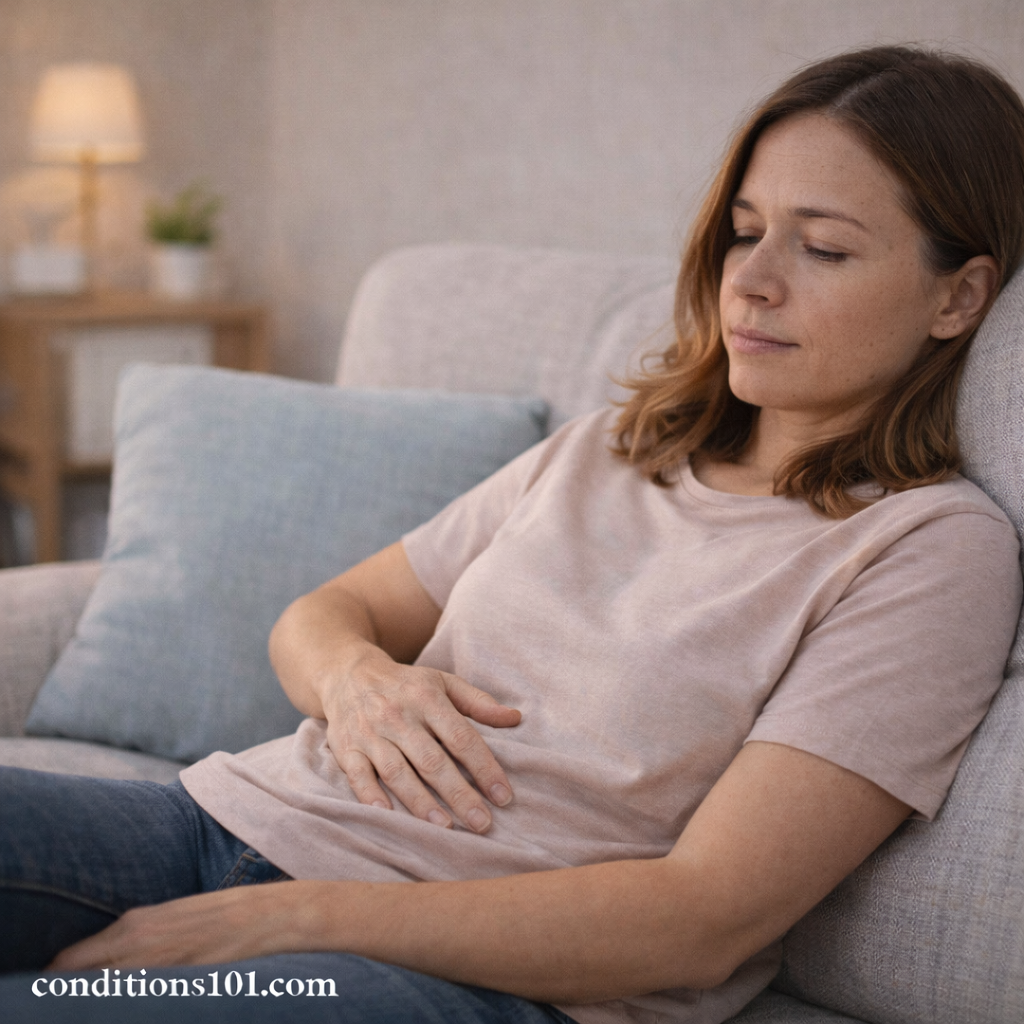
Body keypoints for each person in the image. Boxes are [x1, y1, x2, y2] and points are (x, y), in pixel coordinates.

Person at [2, 44, 1024, 1024]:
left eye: (825, 247)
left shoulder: (927, 550)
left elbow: (704, 919)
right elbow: (325, 614)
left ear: (960, 296)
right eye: (745, 230)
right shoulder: (609, 450)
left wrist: (288, 916)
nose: (750, 281)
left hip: (478, 979)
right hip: (227, 821)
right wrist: (357, 679)